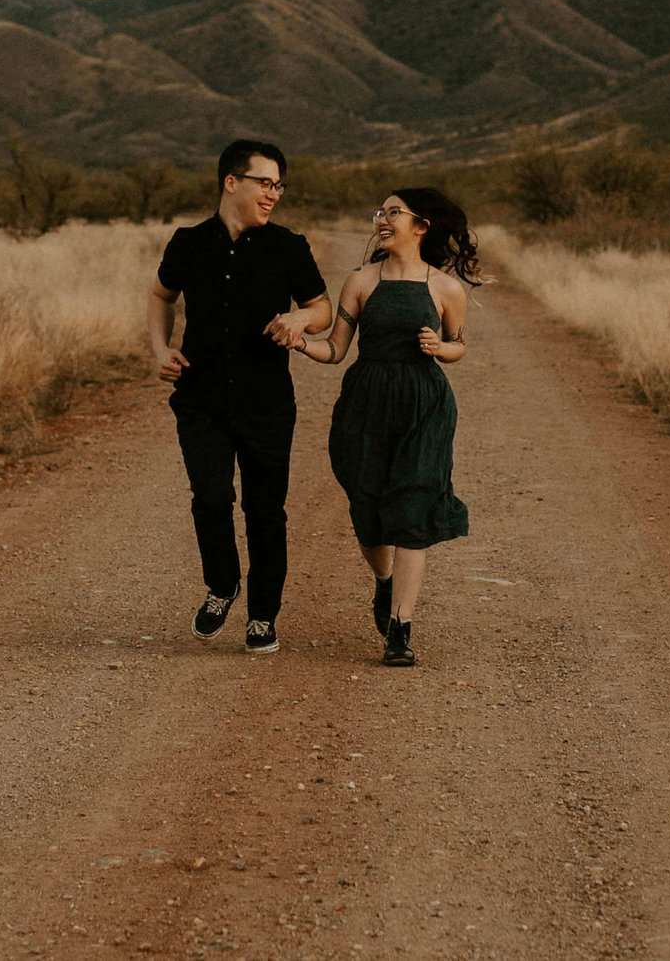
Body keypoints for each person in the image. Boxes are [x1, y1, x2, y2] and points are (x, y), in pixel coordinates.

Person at [148, 139, 330, 654]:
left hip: (267, 402)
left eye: (280, 186)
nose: (274, 194)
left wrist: (299, 318)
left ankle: (263, 617)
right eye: (265, 183)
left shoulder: (288, 247)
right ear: (232, 182)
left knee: (265, 510)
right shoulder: (187, 242)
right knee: (210, 498)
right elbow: (161, 294)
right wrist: (159, 349)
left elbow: (321, 307)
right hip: (200, 398)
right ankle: (222, 584)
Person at [288, 187, 477, 668]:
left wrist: (439, 347)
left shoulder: (445, 288)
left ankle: (400, 628)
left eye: (395, 212)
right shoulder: (360, 281)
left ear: (422, 226)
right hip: (367, 401)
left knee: (413, 506)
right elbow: (335, 349)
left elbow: (459, 346)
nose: (383, 220)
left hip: (423, 405)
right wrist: (297, 343)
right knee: (369, 509)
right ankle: (384, 581)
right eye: (381, 212)